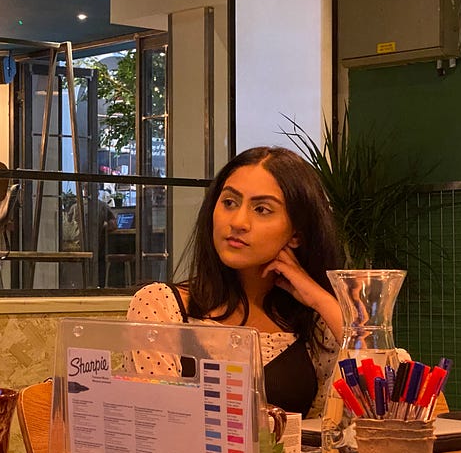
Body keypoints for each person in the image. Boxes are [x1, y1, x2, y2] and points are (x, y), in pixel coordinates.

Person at [127, 146, 343, 418]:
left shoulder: (315, 322)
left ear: (296, 234)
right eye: (229, 202)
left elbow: (379, 410)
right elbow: (157, 426)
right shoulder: (162, 306)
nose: (238, 221)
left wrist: (323, 301)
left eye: (262, 209)